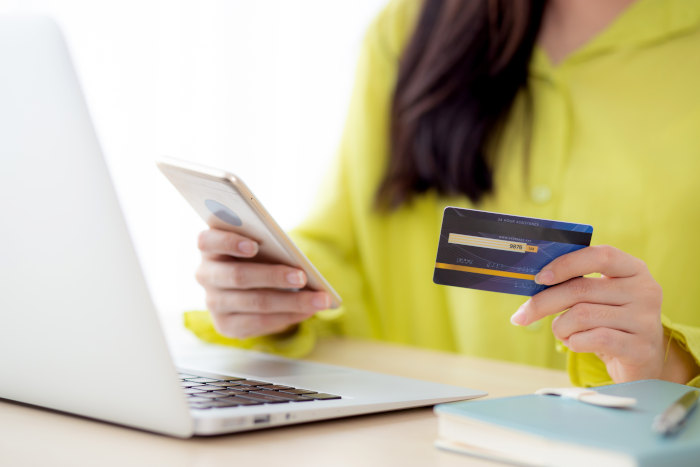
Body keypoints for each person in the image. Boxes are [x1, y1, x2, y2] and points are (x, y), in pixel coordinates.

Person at [186, 0, 700, 387]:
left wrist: (669, 361)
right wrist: (271, 289)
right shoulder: (409, 29)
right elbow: (347, 250)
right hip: (424, 440)